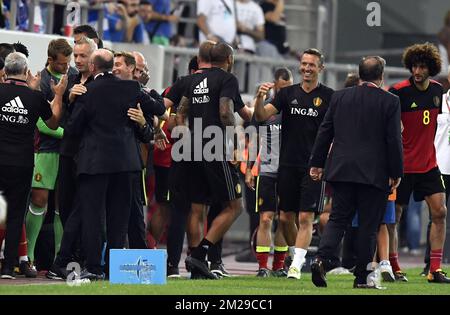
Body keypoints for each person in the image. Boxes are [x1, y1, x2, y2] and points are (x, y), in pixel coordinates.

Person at [65, 49, 165, 279]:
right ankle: (115, 269)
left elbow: (72, 128)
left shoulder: (87, 91)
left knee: (92, 217)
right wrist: (141, 119)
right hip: (125, 163)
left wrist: (71, 100)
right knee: (118, 219)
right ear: (112, 66)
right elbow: (159, 109)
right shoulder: (132, 88)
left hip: (94, 163)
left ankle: (93, 268)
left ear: (92, 67)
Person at [308, 56, 403, 289]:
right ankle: (362, 278)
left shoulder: (339, 97)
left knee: (337, 219)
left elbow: (325, 131)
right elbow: (394, 140)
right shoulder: (390, 101)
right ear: (381, 77)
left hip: (341, 169)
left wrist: (317, 163)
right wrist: (396, 171)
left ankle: (320, 259)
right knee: (369, 226)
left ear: (360, 75)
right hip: (374, 173)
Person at [254, 48, 334, 280]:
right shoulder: (287, 94)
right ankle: (296, 256)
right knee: (286, 218)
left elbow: (338, 129)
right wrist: (260, 98)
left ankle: (296, 266)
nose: (307, 68)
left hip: (314, 166)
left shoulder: (329, 96)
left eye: (312, 64)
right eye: (304, 64)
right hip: (287, 165)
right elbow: (261, 116)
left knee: (305, 218)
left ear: (321, 68)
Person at [177, 43, 244, 280]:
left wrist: (185, 137)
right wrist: (236, 145)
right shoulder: (228, 79)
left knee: (197, 207)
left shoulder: (193, 80)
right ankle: (201, 253)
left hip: (192, 146)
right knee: (235, 206)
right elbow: (225, 112)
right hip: (214, 146)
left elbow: (180, 112)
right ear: (228, 58)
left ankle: (197, 265)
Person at [0, 52, 67, 279]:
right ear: (27, 72)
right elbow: (53, 121)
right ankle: (8, 268)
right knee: (15, 214)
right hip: (22, 163)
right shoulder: (35, 97)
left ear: (5, 71)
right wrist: (57, 95)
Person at [388, 43, 450, 283]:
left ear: (431, 68)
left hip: (428, 165)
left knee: (440, 212)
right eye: (414, 66)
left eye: (422, 66)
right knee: (395, 217)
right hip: (402, 167)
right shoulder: (398, 92)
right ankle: (394, 266)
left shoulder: (437, 90)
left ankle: (435, 270)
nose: (417, 71)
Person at [26, 38, 76, 269]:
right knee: (39, 200)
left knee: (61, 206)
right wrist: (69, 134)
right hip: (45, 151)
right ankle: (29, 257)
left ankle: (59, 259)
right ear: (49, 60)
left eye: (68, 63)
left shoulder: (74, 76)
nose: (66, 68)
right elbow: (40, 122)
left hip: (68, 153)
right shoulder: (41, 81)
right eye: (61, 64)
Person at [245, 68, 293, 277]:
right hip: (267, 168)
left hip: (290, 170)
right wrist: (248, 169)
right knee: (265, 218)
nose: (286, 92)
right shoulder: (265, 109)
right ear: (275, 85)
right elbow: (254, 138)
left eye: (289, 87)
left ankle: (279, 265)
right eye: (282, 88)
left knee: (284, 218)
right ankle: (263, 267)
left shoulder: (297, 108)